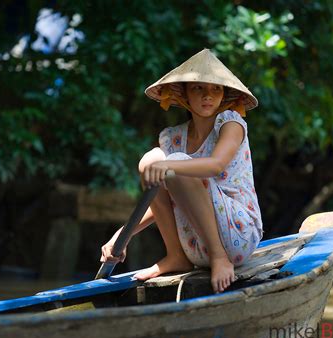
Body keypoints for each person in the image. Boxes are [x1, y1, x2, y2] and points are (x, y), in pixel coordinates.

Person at [100, 49, 263, 293]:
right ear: (184, 93)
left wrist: (170, 165)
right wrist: (122, 235)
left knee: (171, 163)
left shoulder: (230, 123)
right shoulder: (173, 138)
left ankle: (219, 258)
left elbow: (215, 165)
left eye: (215, 89)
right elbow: (164, 200)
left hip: (236, 235)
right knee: (151, 160)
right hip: (195, 243)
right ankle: (176, 256)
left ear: (224, 95)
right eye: (199, 88)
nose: (208, 96)